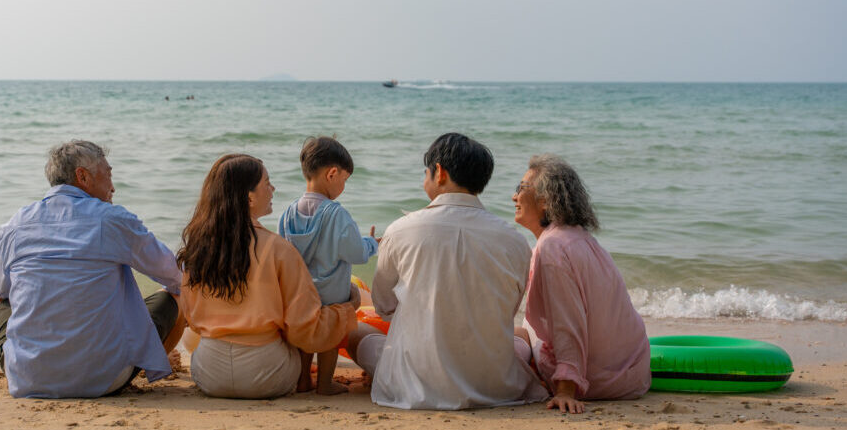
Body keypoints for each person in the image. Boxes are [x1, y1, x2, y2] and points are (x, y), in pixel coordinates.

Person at [346, 133, 549, 410]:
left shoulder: (400, 230)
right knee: (519, 336)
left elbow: (384, 307)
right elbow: (508, 307)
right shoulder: (514, 240)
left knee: (354, 330)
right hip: (493, 384)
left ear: (439, 172)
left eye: (425, 172)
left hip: (415, 384)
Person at [0, 140, 185, 398]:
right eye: (109, 174)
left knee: (4, 301)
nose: (113, 187)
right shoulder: (112, 219)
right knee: (175, 296)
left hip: (27, 378)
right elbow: (173, 275)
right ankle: (158, 361)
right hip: (104, 379)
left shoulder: (15, 225)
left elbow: (0, 291)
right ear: (82, 176)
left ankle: (34, 360)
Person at [176, 154, 360, 399]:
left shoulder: (199, 248)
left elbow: (190, 315)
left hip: (209, 374)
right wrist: (347, 308)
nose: (273, 189)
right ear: (249, 197)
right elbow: (303, 328)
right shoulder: (279, 249)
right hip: (266, 375)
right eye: (267, 183)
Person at [513, 154, 651, 414]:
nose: (514, 197)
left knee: (514, 338)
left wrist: (567, 389)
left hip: (594, 382)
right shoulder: (579, 238)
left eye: (520, 188)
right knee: (523, 331)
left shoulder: (552, 246)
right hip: (634, 374)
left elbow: (568, 322)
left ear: (544, 201)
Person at [279, 136, 378, 395]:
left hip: (300, 297)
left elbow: (283, 254)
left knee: (304, 341)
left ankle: (302, 380)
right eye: (344, 180)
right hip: (332, 298)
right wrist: (371, 243)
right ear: (332, 173)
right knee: (331, 339)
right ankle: (324, 384)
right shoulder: (337, 214)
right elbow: (356, 253)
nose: (343, 186)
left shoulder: (288, 213)